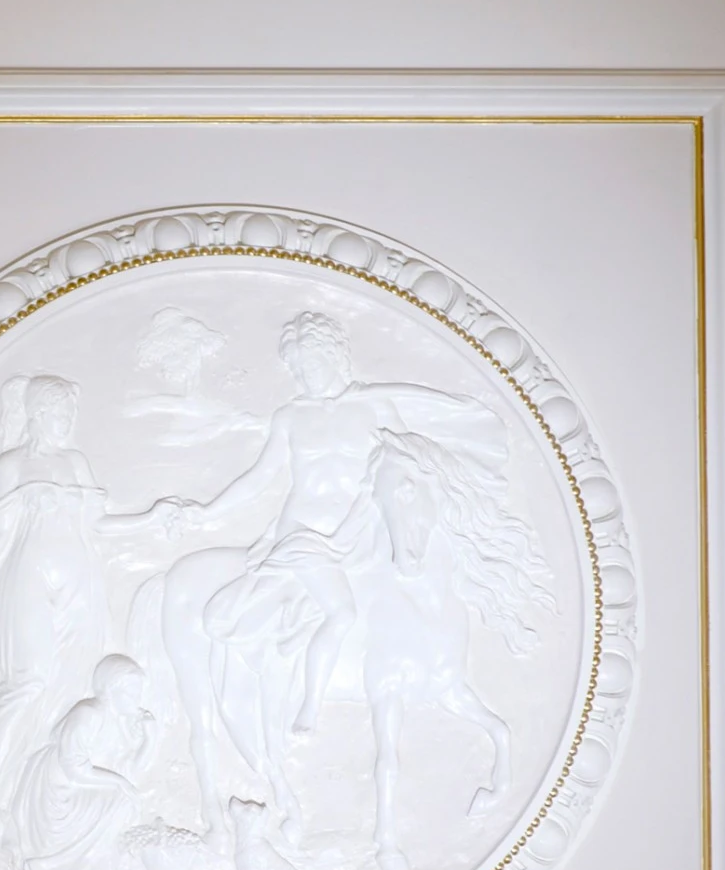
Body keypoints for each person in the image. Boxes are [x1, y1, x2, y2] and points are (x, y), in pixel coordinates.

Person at [175, 311, 505, 736]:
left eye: (308, 364)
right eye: (296, 368)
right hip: (304, 535)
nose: (302, 375)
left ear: (333, 355)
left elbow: (411, 458)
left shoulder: (376, 407)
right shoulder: (291, 417)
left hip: (362, 532)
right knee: (342, 612)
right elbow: (259, 479)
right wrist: (207, 512)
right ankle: (308, 706)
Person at [0, 376, 174, 830]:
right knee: (27, 684)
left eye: (70, 414)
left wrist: (151, 518)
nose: (66, 422)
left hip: (81, 584)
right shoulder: (11, 465)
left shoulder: (75, 462)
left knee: (68, 687)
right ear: (38, 412)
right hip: (27, 579)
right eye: (59, 413)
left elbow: (98, 526)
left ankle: (31, 802)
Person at [13, 655, 158, 870]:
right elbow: (74, 769)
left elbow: (129, 773)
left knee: (126, 801)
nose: (137, 699)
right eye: (132, 692)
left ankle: (81, 862)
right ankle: (53, 864)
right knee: (122, 801)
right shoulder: (88, 713)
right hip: (55, 794)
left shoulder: (118, 722)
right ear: (110, 690)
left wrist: (149, 741)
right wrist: (119, 782)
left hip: (82, 786)